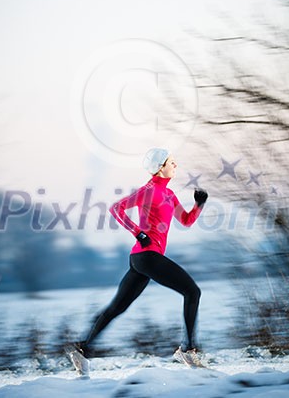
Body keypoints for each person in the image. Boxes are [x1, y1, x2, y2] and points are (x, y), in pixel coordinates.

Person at [76, 147, 208, 365]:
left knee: (117, 307)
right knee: (192, 291)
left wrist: (198, 204)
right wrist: (139, 233)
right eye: (171, 162)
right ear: (160, 167)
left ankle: (82, 348)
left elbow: (185, 220)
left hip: (141, 260)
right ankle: (189, 349)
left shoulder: (168, 194)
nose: (175, 165)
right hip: (147, 256)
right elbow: (116, 209)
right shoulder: (148, 191)